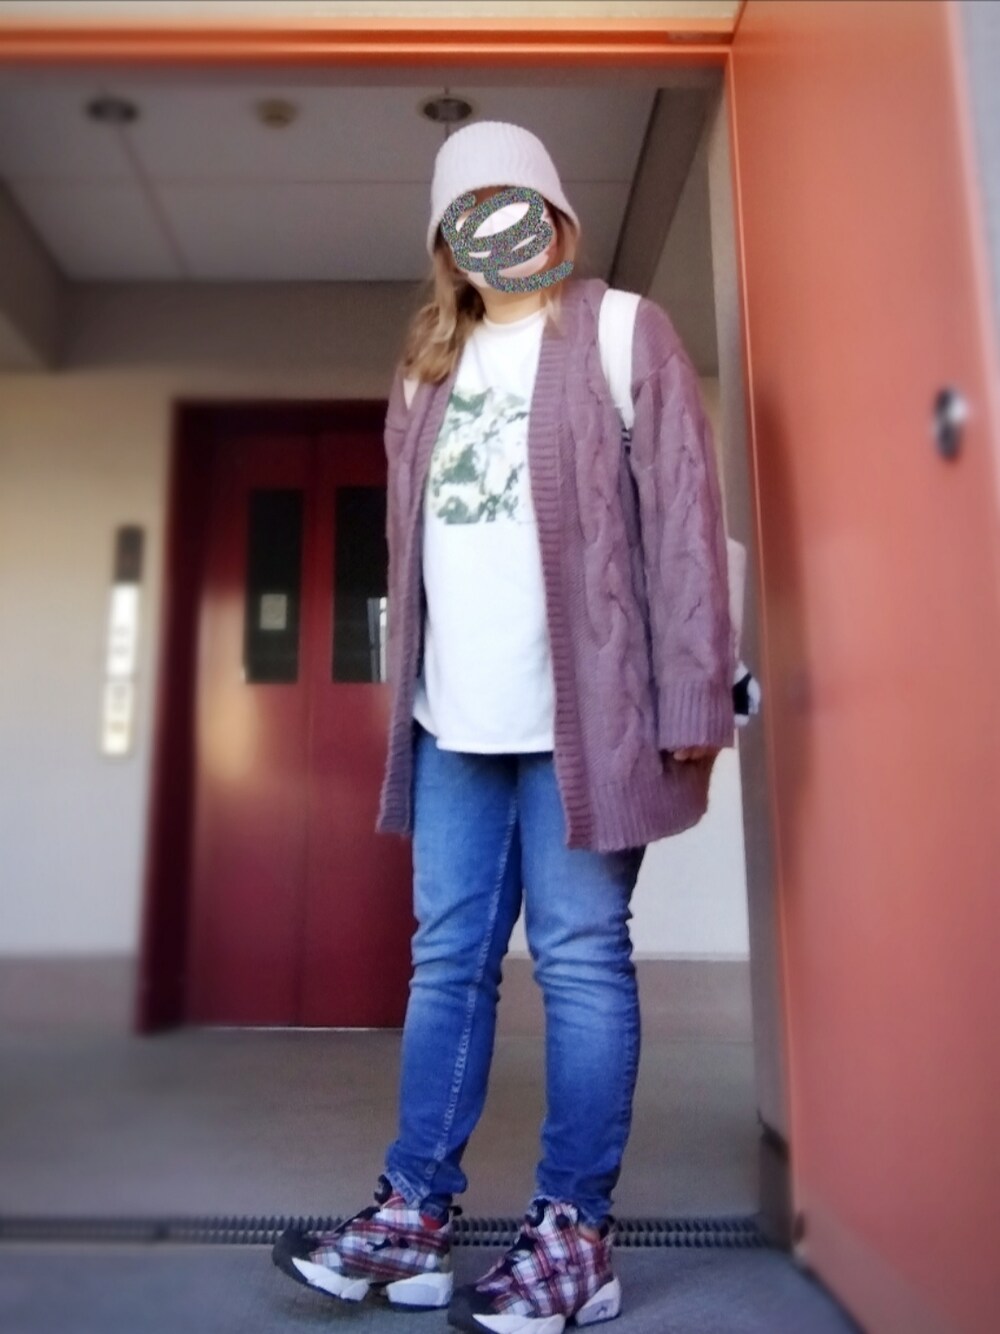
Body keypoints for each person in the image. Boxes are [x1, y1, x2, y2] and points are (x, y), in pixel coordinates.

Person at [273, 120, 735, 1334]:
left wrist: (694, 692)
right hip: (453, 725)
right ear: (447, 240)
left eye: (513, 202)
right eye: (467, 211)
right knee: (446, 962)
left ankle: (574, 1236)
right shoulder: (426, 368)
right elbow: (408, 554)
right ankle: (414, 1214)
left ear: (554, 216)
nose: (495, 229)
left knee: (578, 957)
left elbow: (684, 522)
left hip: (589, 719)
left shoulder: (624, 330)